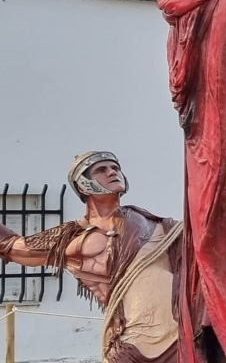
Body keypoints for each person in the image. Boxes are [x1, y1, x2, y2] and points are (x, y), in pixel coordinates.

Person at [0, 152, 181, 362]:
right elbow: (12, 247)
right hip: (132, 346)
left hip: (180, 338)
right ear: (83, 186)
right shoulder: (72, 239)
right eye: (101, 170)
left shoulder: (155, 224)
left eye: (115, 167)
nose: (113, 172)